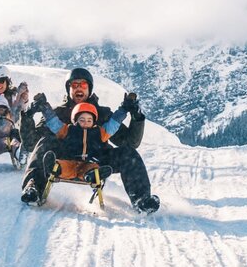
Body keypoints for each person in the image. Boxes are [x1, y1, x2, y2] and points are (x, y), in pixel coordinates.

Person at [20, 67, 160, 213]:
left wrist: (136, 116)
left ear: (90, 88)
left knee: (127, 153)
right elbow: (31, 143)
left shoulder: (102, 113)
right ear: (69, 89)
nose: (79, 88)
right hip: (64, 157)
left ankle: (142, 200)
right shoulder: (58, 113)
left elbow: (130, 142)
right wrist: (28, 116)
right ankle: (33, 189)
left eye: (83, 84)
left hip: (97, 159)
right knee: (44, 143)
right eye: (74, 85)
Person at [38, 100, 124, 181]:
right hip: (70, 161)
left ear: (93, 122)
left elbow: (113, 125)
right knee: (64, 166)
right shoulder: (68, 130)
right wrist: (45, 108)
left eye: (89, 120)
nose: (86, 122)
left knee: (92, 167)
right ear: (75, 121)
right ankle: (53, 167)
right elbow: (54, 123)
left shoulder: (99, 132)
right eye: (82, 120)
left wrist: (123, 110)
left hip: (88, 162)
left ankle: (93, 175)